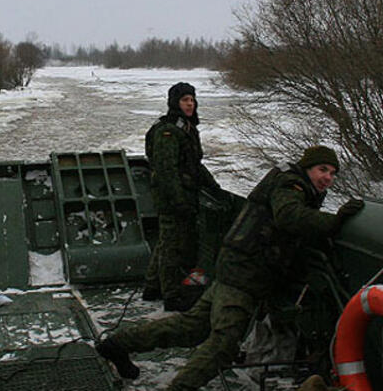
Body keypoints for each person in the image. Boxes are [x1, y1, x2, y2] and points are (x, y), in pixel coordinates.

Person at [97, 145, 364, 390]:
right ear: (307, 168)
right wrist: (335, 220)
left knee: (193, 328)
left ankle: (117, 344)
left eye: (332, 173)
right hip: (244, 275)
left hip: (235, 266)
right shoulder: (291, 184)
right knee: (223, 345)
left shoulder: (295, 184)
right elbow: (288, 215)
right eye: (322, 170)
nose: (328, 177)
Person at [143, 82, 221, 311]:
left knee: (167, 241)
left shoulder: (186, 127)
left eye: (192, 100)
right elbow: (167, 172)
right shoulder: (168, 131)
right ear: (175, 103)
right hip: (171, 197)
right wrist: (179, 202)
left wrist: (213, 187)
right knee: (172, 246)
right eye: (185, 100)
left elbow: (194, 164)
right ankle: (171, 295)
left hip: (183, 193)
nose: (190, 104)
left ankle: (152, 286)